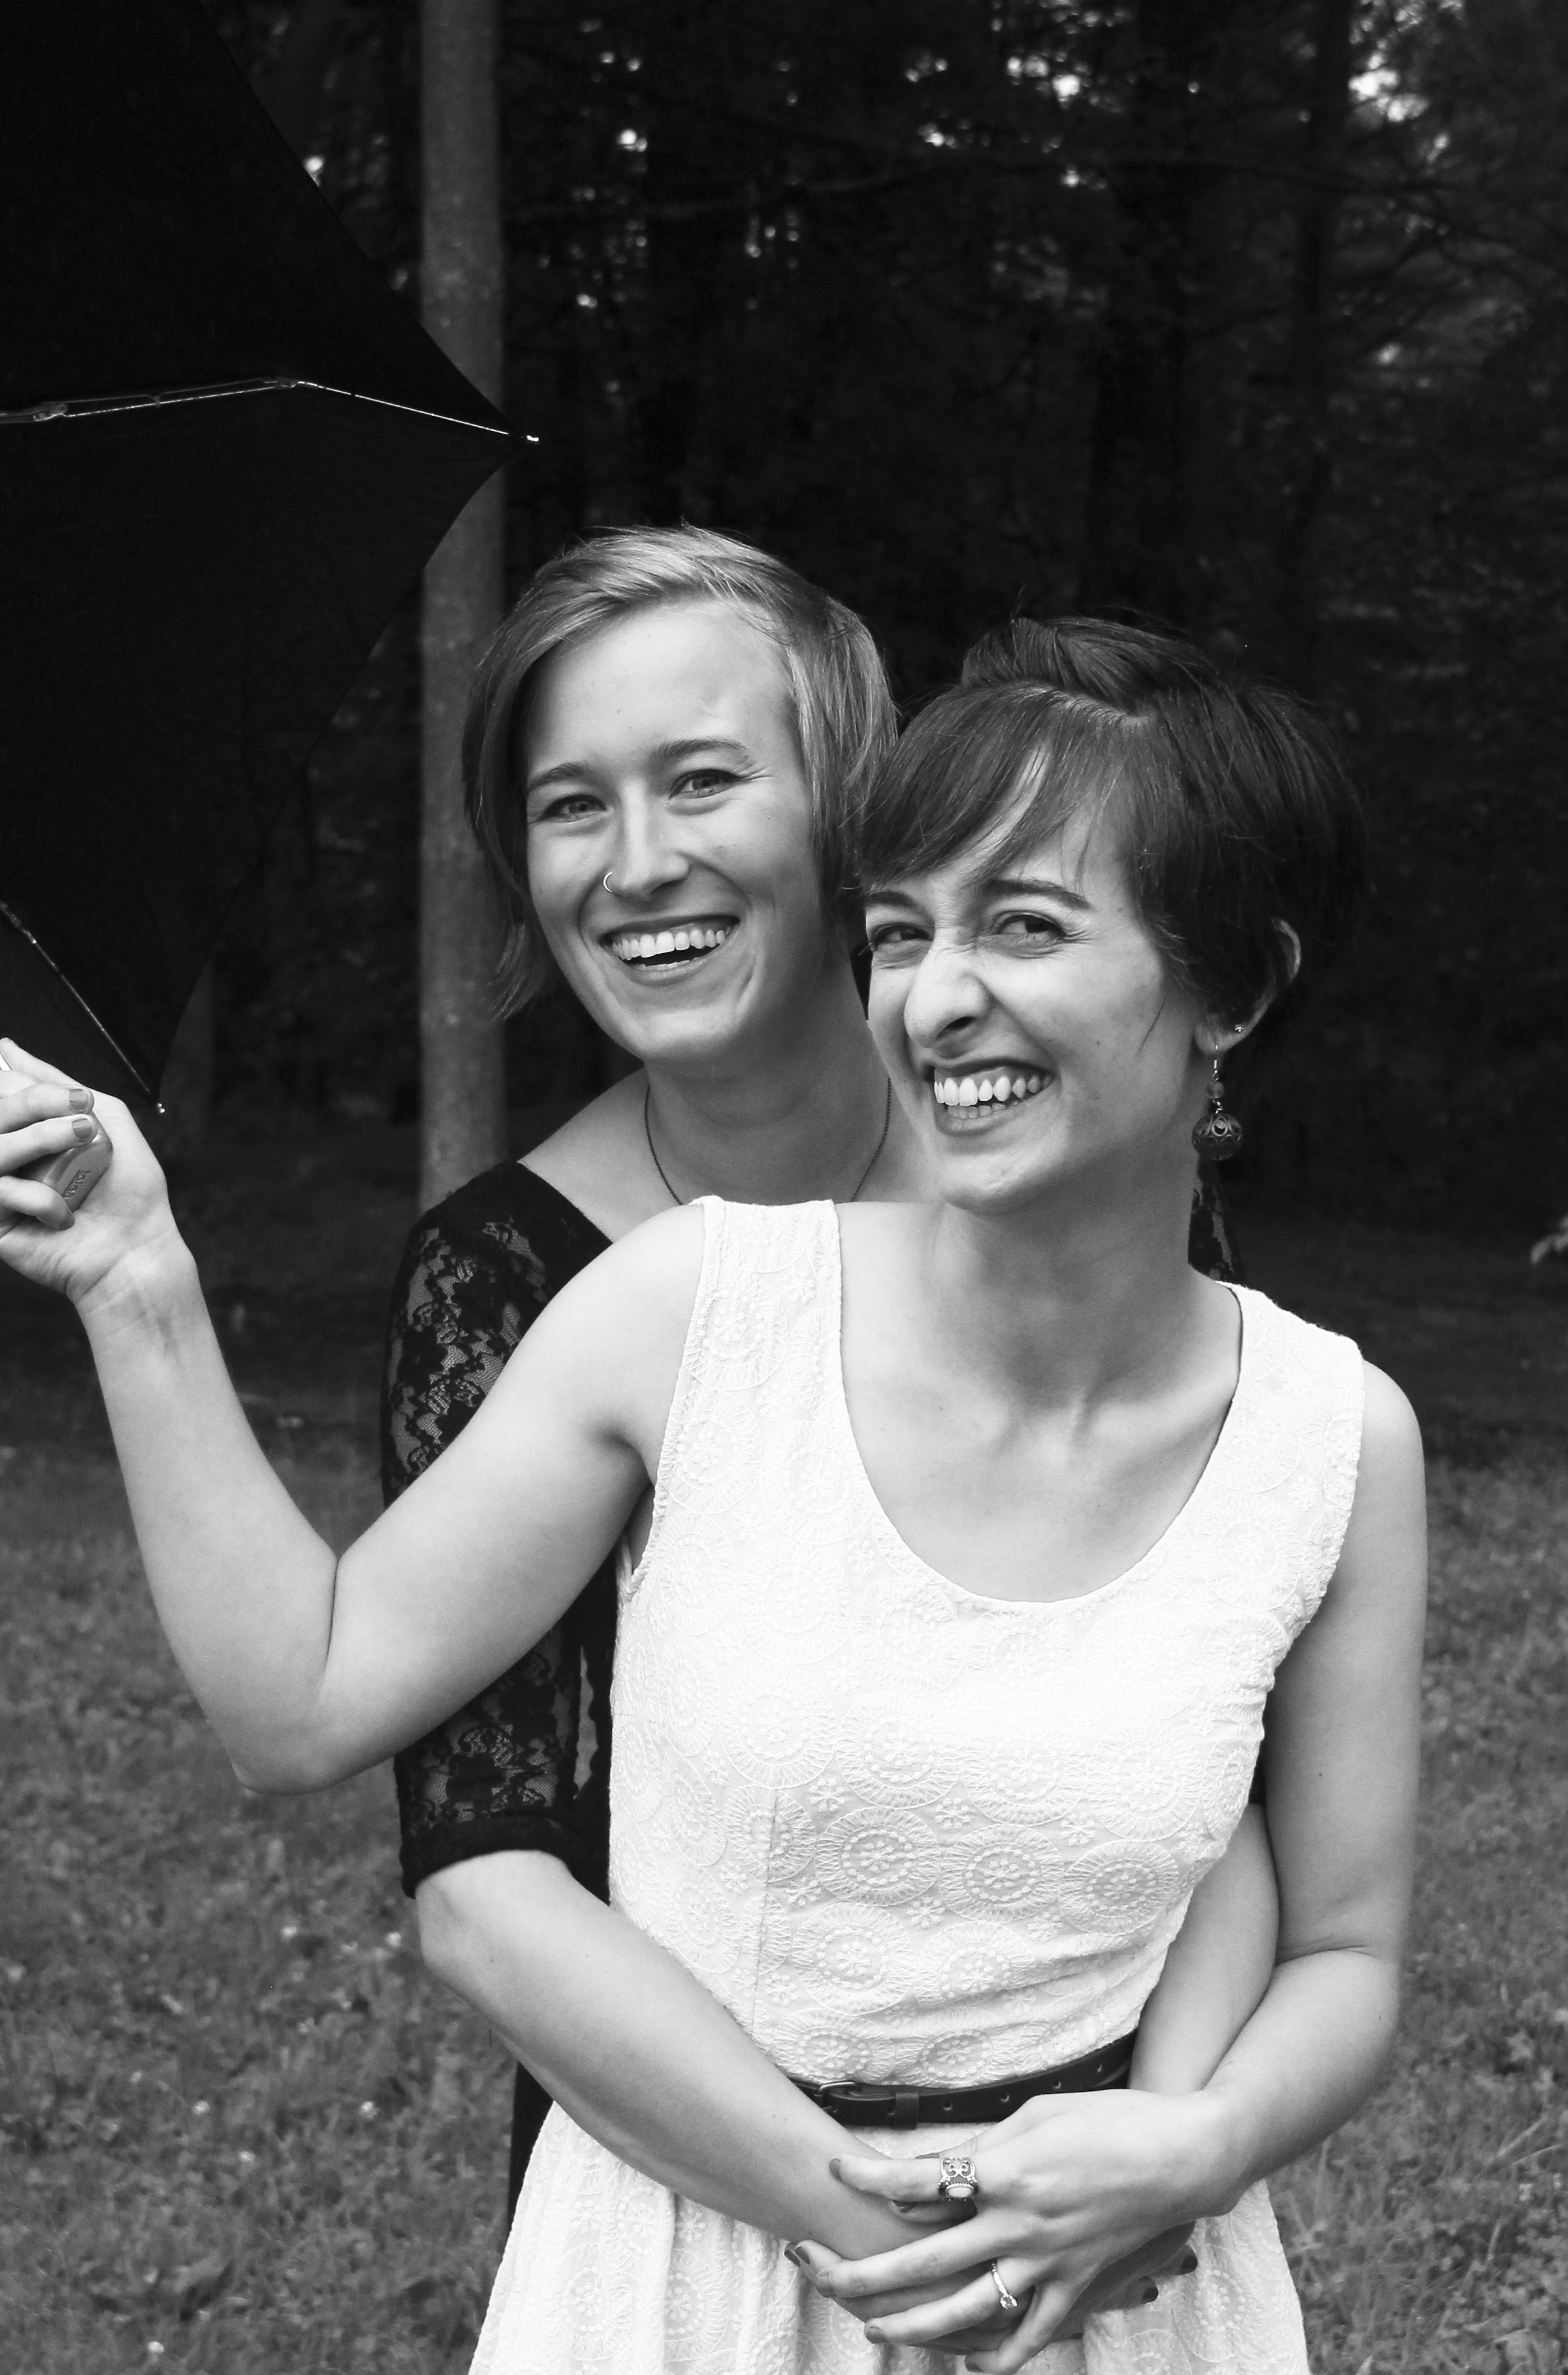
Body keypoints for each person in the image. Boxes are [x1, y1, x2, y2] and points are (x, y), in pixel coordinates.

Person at [0, 611, 1422, 2375]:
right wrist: (139, 1286)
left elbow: (1339, 1942)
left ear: (1234, 986)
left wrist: (1184, 2148)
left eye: (1024, 926)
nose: (938, 996)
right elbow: (310, 1690)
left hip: (1117, 2352)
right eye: (905, 929)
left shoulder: (1332, 1440)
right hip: (692, 2323)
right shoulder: (691, 1315)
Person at [382, 526, 1249, 2220]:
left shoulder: (1063, 1151)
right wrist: (858, 2217)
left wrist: (1161, 2155)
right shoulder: (509, 1281)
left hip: (1101, 2193)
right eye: (569, 804)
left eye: (703, 779)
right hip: (687, 2185)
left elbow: (1230, 1766)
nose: (640, 864)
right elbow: (483, 1876)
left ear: (852, 810)